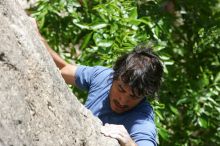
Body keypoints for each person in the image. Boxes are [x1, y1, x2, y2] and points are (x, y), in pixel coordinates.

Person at [34, 18, 163, 146]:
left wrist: (129, 143)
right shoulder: (103, 77)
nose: (122, 101)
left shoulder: (142, 120)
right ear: (114, 76)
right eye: (121, 89)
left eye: (133, 96)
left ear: (144, 96)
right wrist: (36, 38)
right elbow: (62, 69)